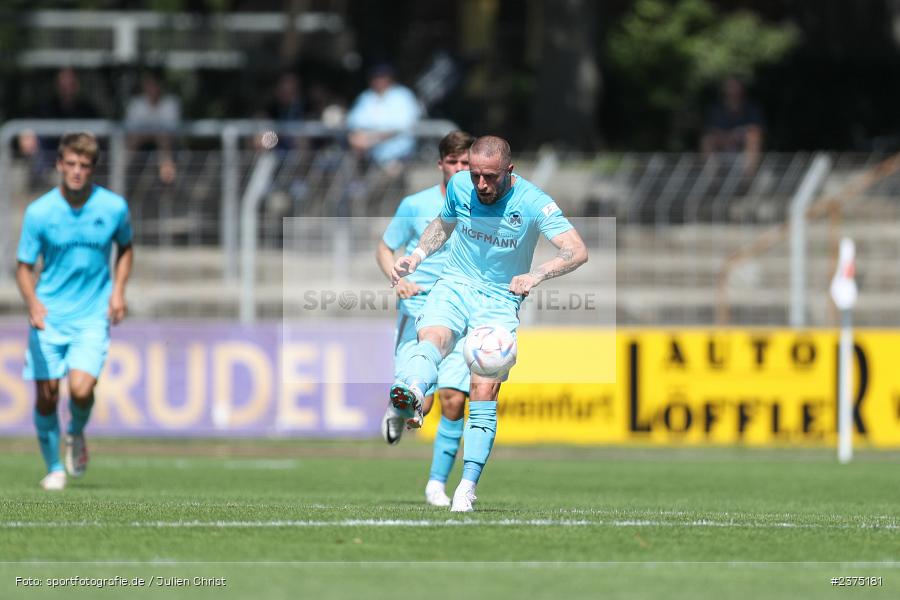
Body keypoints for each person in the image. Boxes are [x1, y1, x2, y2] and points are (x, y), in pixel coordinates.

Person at [389, 136, 589, 512]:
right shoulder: (462, 185)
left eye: (490, 177)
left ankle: (466, 487)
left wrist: (537, 274)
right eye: (476, 174)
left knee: (484, 391)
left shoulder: (532, 201)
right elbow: (443, 224)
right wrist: (416, 255)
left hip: (498, 300)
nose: (480, 184)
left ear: (509, 172)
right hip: (454, 284)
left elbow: (577, 250)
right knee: (433, 336)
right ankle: (413, 390)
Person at [15, 132, 134, 491]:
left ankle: (76, 433)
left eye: (84, 165)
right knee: (47, 394)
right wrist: (33, 302)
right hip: (49, 314)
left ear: (93, 168)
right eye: (71, 164)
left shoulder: (113, 208)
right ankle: (53, 467)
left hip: (91, 316)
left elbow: (126, 248)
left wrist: (118, 291)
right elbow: (23, 266)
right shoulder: (40, 212)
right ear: (59, 164)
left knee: (81, 390)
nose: (77, 171)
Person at [376, 130, 475, 507]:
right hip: (418, 310)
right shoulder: (416, 204)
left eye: (467, 163)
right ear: (441, 165)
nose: (461, 169)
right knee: (426, 403)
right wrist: (397, 278)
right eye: (454, 162)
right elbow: (385, 248)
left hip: (461, 311)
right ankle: (399, 411)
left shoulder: (481, 205)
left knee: (453, 400)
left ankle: (436, 484)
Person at [345, 63, 422, 213]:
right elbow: (354, 123)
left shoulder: (403, 96)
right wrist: (357, 139)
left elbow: (401, 126)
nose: (378, 81)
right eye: (375, 77)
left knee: (385, 193)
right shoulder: (366, 97)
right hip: (368, 159)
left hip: (400, 158)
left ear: (390, 78)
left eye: (382, 77)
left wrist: (371, 139)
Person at [17, 68, 101, 185]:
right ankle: (37, 183)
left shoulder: (87, 109)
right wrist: (27, 134)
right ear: (57, 85)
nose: (67, 87)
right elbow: (30, 122)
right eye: (63, 83)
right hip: (48, 157)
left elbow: (99, 133)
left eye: (70, 83)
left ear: (77, 85)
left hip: (77, 155)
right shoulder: (46, 106)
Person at [124, 70, 182, 185]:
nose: (152, 88)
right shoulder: (136, 103)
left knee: (164, 139)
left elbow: (171, 130)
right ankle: (122, 173)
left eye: (155, 84)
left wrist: (151, 133)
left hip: (165, 143)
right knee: (132, 140)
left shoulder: (171, 103)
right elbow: (131, 130)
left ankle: (167, 177)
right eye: (149, 84)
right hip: (139, 143)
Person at [700, 76, 765, 177]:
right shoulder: (716, 108)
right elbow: (711, 129)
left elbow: (757, 128)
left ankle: (748, 177)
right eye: (730, 87)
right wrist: (726, 137)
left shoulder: (750, 107)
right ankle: (711, 177)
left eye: (735, 87)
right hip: (722, 142)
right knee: (707, 140)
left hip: (742, 143)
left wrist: (738, 134)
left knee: (753, 138)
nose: (732, 90)